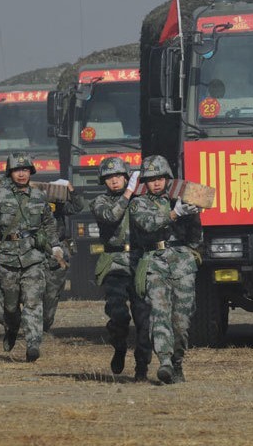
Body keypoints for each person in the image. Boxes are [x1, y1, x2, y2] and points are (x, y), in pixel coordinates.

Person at [0, 152, 61, 362]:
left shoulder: (39, 196)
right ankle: (11, 329)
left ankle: (33, 343)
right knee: (9, 308)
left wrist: (55, 246)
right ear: (10, 173)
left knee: (33, 302)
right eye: (16, 170)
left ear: (30, 172)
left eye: (24, 170)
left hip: (34, 257)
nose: (21, 174)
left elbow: (48, 223)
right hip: (6, 258)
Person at [129, 155, 202, 384]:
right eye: (151, 179)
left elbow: (195, 236)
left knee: (181, 322)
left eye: (160, 178)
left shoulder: (180, 199)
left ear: (167, 178)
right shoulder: (138, 203)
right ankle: (165, 362)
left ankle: (177, 362)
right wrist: (174, 214)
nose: (156, 183)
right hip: (154, 262)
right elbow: (148, 223)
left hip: (181, 263)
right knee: (159, 313)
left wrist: (193, 213)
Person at [90, 157, 151, 381]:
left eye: (118, 176)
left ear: (126, 177)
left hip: (140, 261)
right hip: (114, 262)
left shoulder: (141, 200)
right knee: (118, 313)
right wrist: (128, 195)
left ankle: (142, 368)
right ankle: (119, 346)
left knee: (144, 318)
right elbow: (111, 216)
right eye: (109, 177)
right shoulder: (100, 202)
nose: (114, 181)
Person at [42, 179, 86, 333]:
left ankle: (45, 324)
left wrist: (70, 190)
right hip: (39, 250)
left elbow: (78, 207)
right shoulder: (35, 203)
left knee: (53, 292)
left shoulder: (59, 206)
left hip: (57, 252)